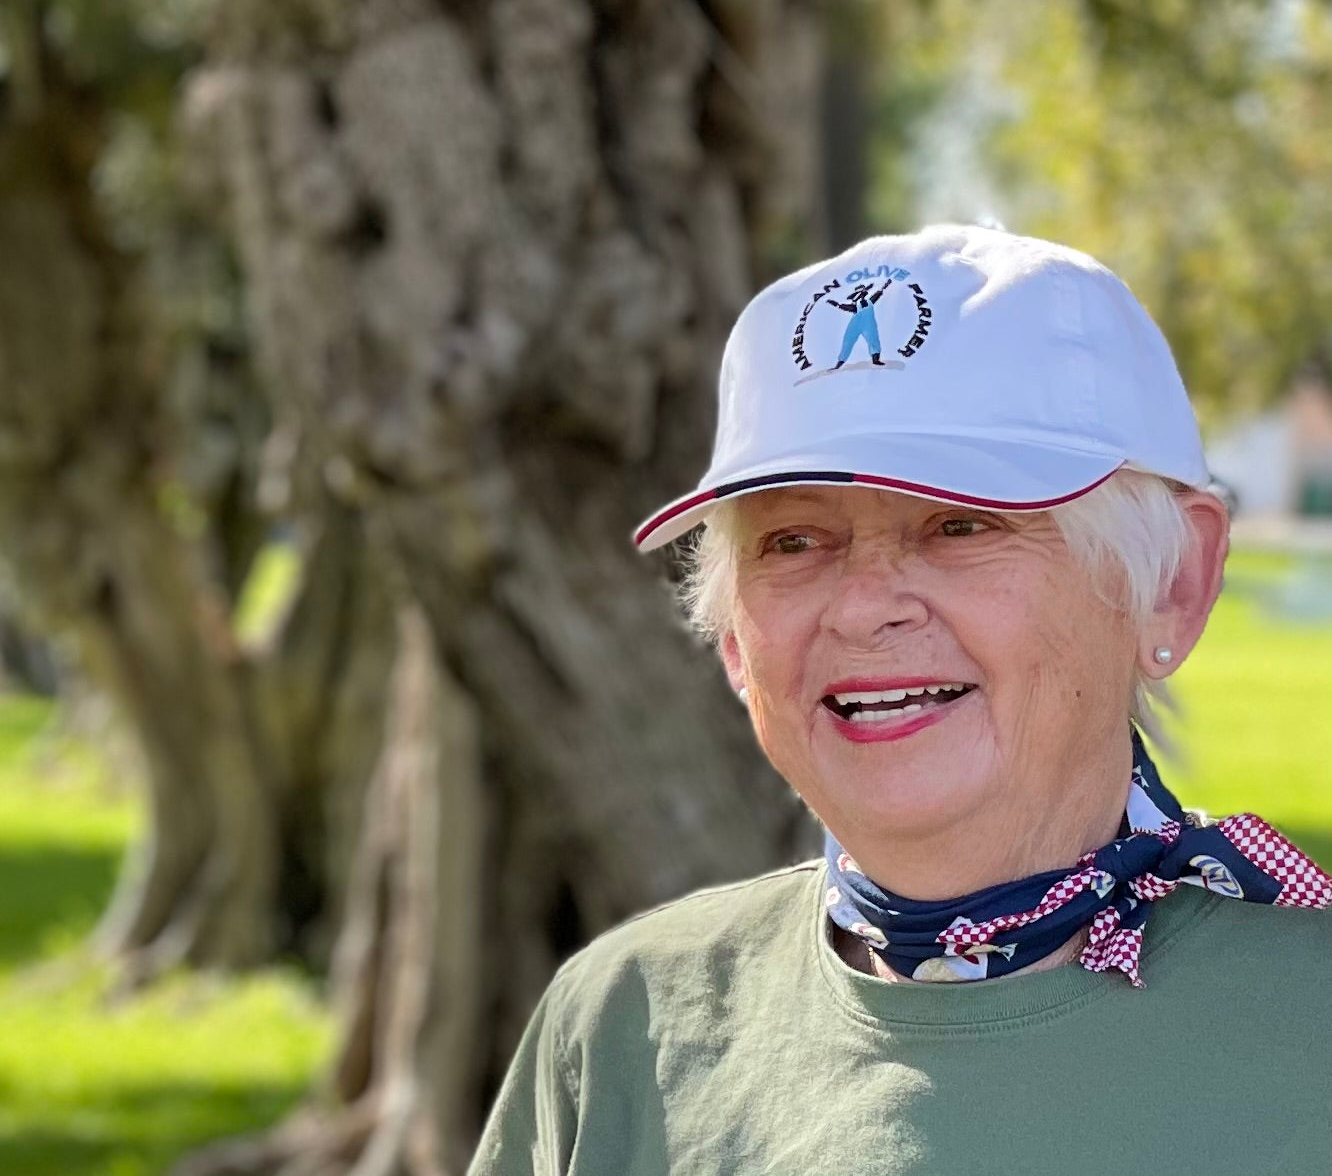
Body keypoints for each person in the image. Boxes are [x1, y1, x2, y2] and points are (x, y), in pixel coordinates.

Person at [468, 225, 1332, 1176]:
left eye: (961, 525)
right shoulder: (621, 1029)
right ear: (735, 641)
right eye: (794, 542)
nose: (864, 605)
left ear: (1170, 580)